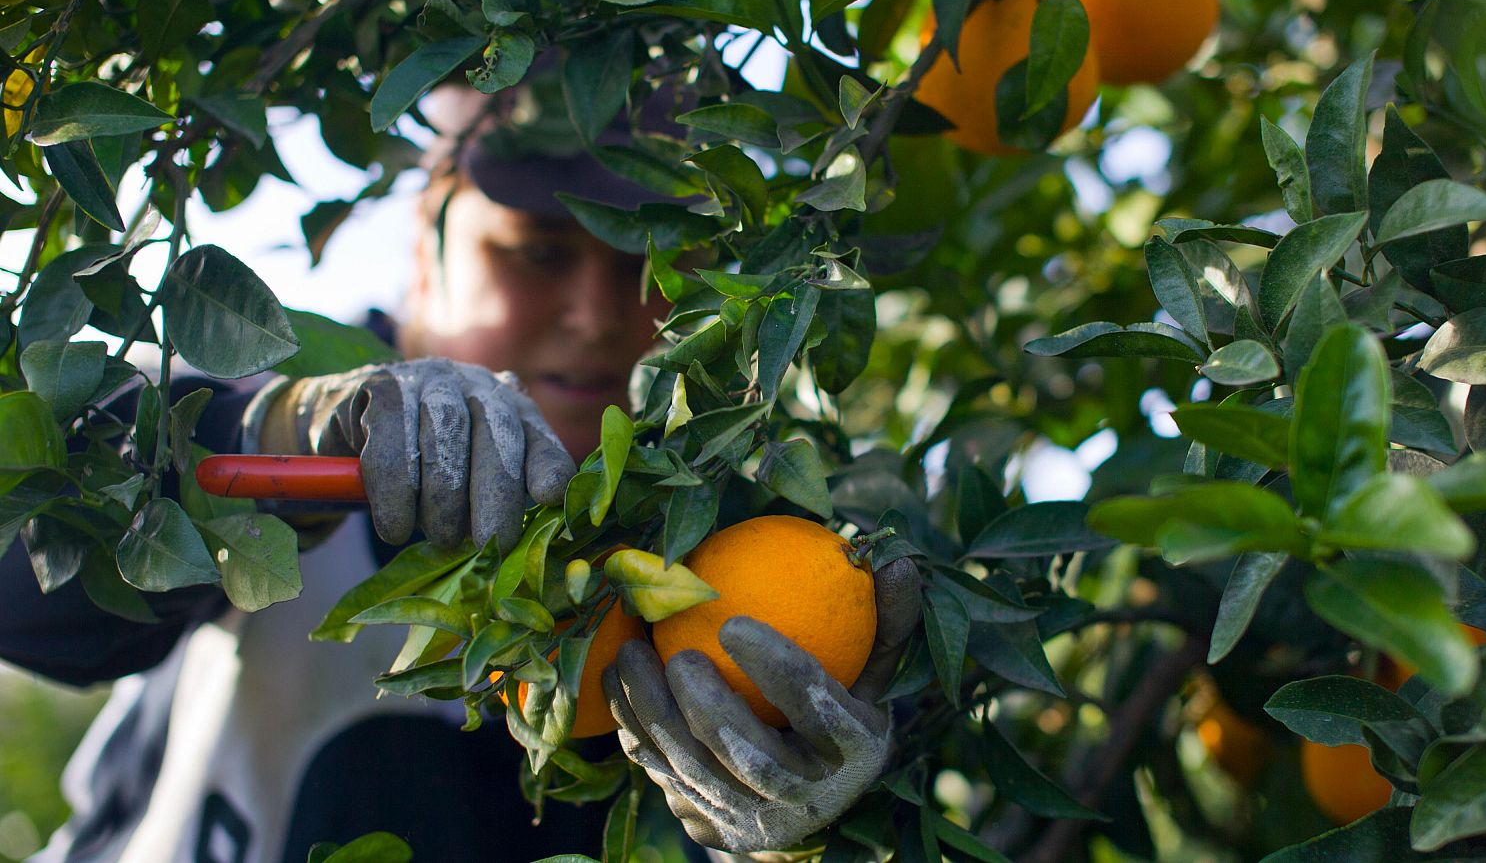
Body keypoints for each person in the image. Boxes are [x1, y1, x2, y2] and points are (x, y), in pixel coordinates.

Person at [0, 63, 918, 862]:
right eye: (536, 253)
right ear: (425, 247)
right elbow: (39, 570)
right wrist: (279, 438)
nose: (599, 319)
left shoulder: (729, 549)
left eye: (654, 266)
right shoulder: (292, 394)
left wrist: (799, 838)